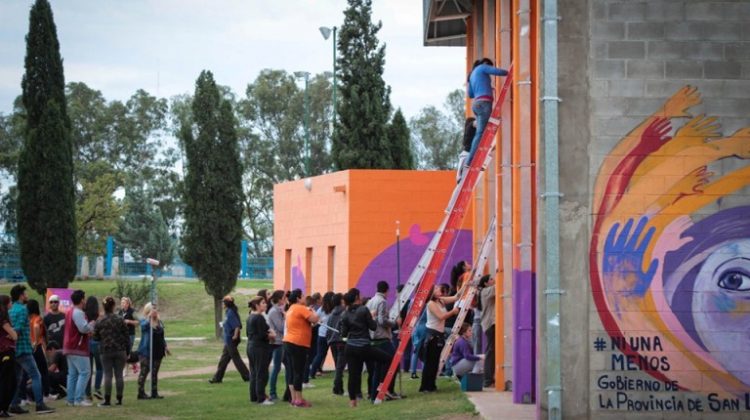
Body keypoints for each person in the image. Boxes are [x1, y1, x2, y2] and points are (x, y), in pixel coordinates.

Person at [341, 288, 392, 407]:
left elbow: (343, 334)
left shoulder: (345, 314)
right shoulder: (364, 310)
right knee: (387, 359)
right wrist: (372, 316)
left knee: (353, 375)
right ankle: (381, 384)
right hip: (364, 346)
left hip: (350, 348)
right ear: (357, 298)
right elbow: (373, 327)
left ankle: (352, 401)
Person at [8, 285, 54, 414]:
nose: (27, 295)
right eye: (25, 293)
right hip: (23, 348)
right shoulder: (23, 309)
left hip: (13, 350)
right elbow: (19, 327)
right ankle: (39, 404)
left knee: (17, 378)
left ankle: (14, 404)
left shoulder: (10, 310)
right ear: (21, 295)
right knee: (36, 375)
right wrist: (14, 335)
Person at [465, 58, 509, 169]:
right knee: (481, 134)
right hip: (484, 103)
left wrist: (486, 87)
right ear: (486, 63)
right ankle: (470, 161)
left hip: (476, 105)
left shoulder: (472, 74)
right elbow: (499, 72)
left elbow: (470, 94)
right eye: (489, 66)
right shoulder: (483, 67)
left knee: (480, 133)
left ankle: (470, 159)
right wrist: (511, 72)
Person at [419, 284, 461, 393]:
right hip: (432, 335)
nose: (439, 289)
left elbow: (456, 297)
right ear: (431, 292)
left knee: (435, 361)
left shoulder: (440, 300)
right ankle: (426, 387)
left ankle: (432, 385)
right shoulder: (431, 303)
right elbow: (441, 317)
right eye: (436, 288)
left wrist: (465, 284)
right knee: (430, 362)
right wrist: (453, 312)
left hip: (438, 335)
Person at [282, 289, 319, 408]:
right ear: (298, 298)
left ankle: (294, 399)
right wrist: (313, 311)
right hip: (299, 343)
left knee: (293, 372)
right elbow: (314, 319)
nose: (304, 297)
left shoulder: (291, 308)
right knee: (299, 372)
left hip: (289, 342)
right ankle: (299, 400)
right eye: (302, 296)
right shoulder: (301, 308)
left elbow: (307, 324)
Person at [365, 281, 399, 401]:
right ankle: (387, 389)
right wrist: (394, 323)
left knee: (378, 368)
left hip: (373, 338)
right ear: (387, 290)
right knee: (393, 362)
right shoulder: (382, 301)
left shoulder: (370, 302)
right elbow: (382, 320)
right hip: (382, 337)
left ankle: (375, 394)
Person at [93, 296, 130, 407]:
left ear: (104, 307)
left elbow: (95, 337)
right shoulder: (120, 319)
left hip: (106, 351)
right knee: (119, 375)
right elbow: (126, 336)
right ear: (114, 306)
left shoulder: (100, 320)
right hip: (120, 350)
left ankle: (107, 400)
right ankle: (119, 399)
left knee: (108, 375)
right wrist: (127, 351)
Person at [63, 289, 94, 407]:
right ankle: (79, 399)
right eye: (84, 299)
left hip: (69, 346)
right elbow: (83, 329)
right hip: (78, 347)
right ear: (82, 300)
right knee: (85, 372)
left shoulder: (69, 311)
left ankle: (70, 400)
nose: (85, 301)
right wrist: (92, 324)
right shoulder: (79, 312)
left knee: (72, 374)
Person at [209, 295, 249, 384]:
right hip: (228, 340)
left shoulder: (231, 312)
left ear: (226, 304)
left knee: (236, 359)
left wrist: (235, 336)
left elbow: (237, 326)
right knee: (224, 359)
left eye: (223, 303)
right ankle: (217, 378)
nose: (223, 304)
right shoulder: (228, 312)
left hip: (231, 339)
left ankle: (247, 376)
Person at [137, 303, 170, 400]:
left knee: (155, 372)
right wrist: (149, 318)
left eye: (156, 309)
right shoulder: (144, 321)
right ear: (148, 311)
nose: (155, 311)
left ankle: (154, 392)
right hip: (146, 351)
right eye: (153, 309)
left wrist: (165, 346)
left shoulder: (159, 322)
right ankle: (141, 393)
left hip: (158, 351)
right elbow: (143, 328)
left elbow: (161, 336)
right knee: (144, 371)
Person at [246, 296, 275, 405]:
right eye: (263, 303)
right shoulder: (259, 317)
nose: (265, 304)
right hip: (259, 348)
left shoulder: (250, 317)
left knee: (254, 373)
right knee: (261, 373)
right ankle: (261, 398)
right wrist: (272, 335)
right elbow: (264, 334)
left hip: (251, 347)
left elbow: (248, 334)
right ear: (257, 305)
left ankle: (254, 396)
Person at [27, 299, 51, 400]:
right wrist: (36, 341)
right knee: (43, 371)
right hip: (38, 347)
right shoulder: (38, 318)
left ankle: (26, 397)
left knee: (32, 373)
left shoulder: (27, 320)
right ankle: (46, 394)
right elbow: (37, 327)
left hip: (29, 348)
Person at [0, 294, 19, 418]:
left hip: (3, 352)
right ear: (6, 304)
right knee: (9, 381)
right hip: (6, 352)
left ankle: (3, 409)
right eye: (10, 302)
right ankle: (3, 408)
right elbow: (15, 336)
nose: (11, 304)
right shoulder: (3, 320)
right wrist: (12, 333)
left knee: (5, 380)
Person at [266, 290, 286, 401]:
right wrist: (285, 316)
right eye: (284, 298)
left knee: (287, 366)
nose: (285, 300)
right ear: (279, 299)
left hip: (281, 342)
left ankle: (288, 391)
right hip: (277, 343)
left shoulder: (278, 310)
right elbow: (281, 327)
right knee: (276, 368)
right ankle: (272, 393)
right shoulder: (274, 311)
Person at [309, 292, 334, 379]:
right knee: (333, 354)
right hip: (331, 334)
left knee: (319, 354)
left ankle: (312, 372)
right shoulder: (334, 309)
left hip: (321, 334)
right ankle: (314, 371)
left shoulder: (322, 309)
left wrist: (318, 322)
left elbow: (315, 319)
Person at [326, 293, 346, 396]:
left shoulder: (331, 315)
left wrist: (328, 340)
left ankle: (339, 388)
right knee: (340, 367)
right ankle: (336, 388)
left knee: (338, 366)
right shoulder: (344, 312)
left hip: (332, 342)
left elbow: (327, 330)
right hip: (341, 341)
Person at [479, 275, 496, 388]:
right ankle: (487, 379)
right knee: (490, 352)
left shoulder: (485, 290)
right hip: (490, 324)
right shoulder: (486, 291)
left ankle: (489, 379)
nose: (493, 280)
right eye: (491, 279)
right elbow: (498, 286)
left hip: (489, 324)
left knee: (492, 351)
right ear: (485, 283)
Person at [85, 296, 103, 400]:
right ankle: (97, 389)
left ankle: (87, 393)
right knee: (100, 368)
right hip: (97, 343)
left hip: (86, 343)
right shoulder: (99, 317)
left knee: (89, 370)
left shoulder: (84, 316)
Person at [118, 297, 139, 374]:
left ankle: (127, 369)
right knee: (124, 352)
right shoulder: (120, 312)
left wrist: (129, 321)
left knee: (127, 352)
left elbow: (138, 322)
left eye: (124, 303)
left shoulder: (132, 312)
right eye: (121, 303)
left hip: (130, 335)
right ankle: (134, 364)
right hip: (121, 335)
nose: (122, 304)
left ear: (128, 304)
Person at [456, 118, 477, 182]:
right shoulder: (470, 126)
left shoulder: (469, 132)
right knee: (461, 179)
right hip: (467, 155)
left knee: (461, 178)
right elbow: (476, 123)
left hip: (467, 154)